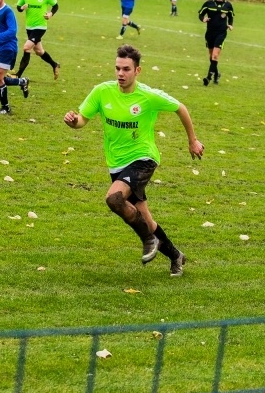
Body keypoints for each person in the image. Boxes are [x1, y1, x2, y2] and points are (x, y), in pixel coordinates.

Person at [63, 45, 205, 276]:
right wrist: (73, 121)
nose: (120, 73)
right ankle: (176, 255)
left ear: (137, 71)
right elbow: (82, 120)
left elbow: (181, 108)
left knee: (114, 198)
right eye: (117, 68)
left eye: (126, 69)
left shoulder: (148, 96)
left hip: (144, 158)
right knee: (144, 218)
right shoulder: (102, 92)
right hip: (117, 163)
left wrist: (193, 141)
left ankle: (149, 241)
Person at [14, 0, 60, 82]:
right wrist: (22, 8)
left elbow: (55, 5)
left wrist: (50, 14)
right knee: (39, 51)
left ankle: (18, 75)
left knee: (26, 47)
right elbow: (18, 7)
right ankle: (55, 65)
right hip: (29, 27)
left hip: (40, 27)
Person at [198, 0, 234, 86]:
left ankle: (208, 78)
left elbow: (231, 16)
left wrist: (230, 25)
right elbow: (201, 14)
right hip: (210, 33)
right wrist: (203, 19)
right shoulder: (208, 3)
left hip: (221, 33)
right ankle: (217, 74)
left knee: (215, 55)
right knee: (211, 56)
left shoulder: (228, 5)